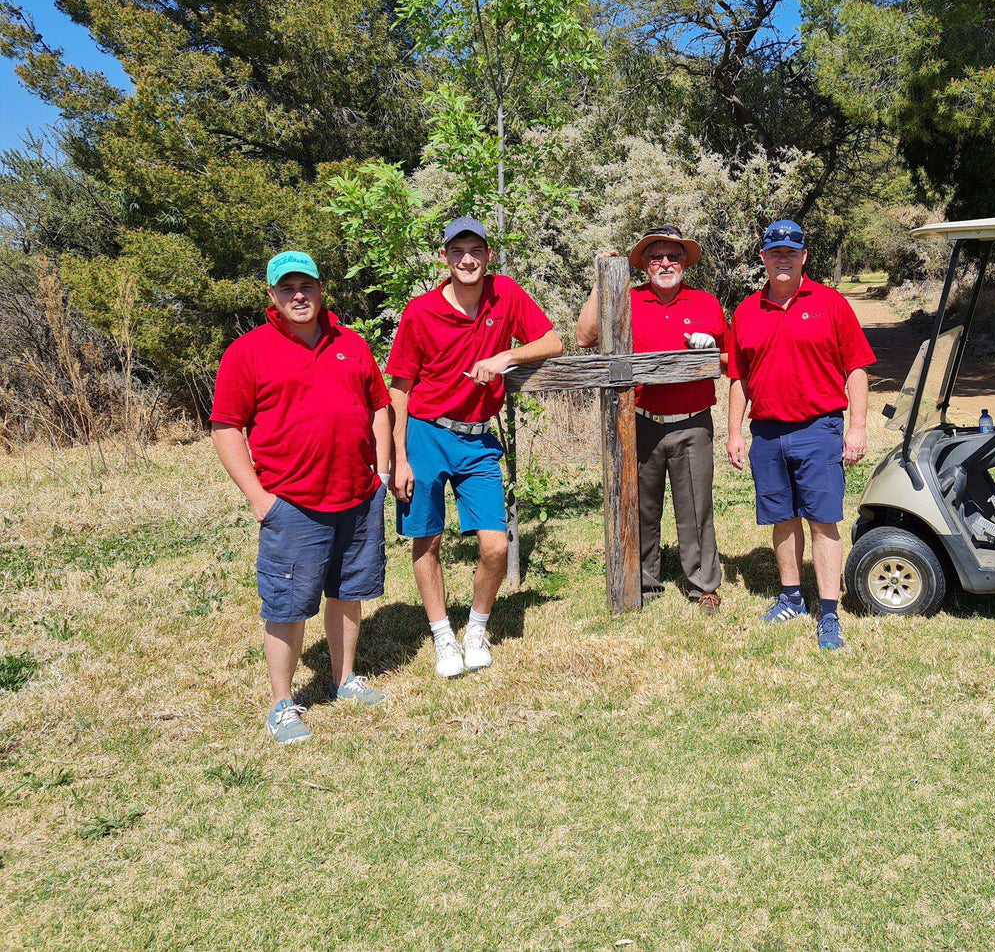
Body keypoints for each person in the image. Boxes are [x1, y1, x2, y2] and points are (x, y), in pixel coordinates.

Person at [211, 251, 394, 745]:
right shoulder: (248, 352)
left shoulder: (351, 344)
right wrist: (258, 497)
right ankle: (283, 704)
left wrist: (381, 470)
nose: (298, 295)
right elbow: (227, 427)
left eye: (307, 285)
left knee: (348, 591)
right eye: (287, 287)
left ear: (320, 289)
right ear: (271, 295)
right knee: (288, 605)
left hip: (357, 496)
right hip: (291, 502)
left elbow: (380, 406)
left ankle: (344, 680)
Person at [387, 216, 563, 678]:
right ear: (445, 258)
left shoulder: (505, 294)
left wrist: (506, 356)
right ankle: (442, 634)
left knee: (496, 546)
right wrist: (398, 457)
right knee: (427, 539)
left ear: (488, 256)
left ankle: (476, 628)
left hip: (478, 438)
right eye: (458, 251)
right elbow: (400, 389)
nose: (468, 260)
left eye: (476, 251)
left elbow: (554, 341)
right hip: (426, 432)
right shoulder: (420, 311)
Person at [726, 220, 875, 650]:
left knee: (823, 521)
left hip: (819, 429)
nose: (783, 258)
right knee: (782, 518)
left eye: (791, 251)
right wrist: (734, 432)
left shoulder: (830, 303)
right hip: (767, 434)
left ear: (804, 256)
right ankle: (791, 596)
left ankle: (829, 612)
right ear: (764, 259)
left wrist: (857, 428)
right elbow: (738, 377)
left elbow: (857, 369)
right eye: (775, 252)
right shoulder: (747, 311)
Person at [575, 227, 728, 613]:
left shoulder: (706, 303)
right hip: (639, 421)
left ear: (684, 263)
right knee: (641, 506)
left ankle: (703, 584)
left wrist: (711, 351)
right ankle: (643, 582)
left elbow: (729, 359)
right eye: (656, 257)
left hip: (693, 423)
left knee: (696, 509)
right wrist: (602, 279)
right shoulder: (625, 299)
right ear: (643, 265)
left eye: (673, 256)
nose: (665, 264)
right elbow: (584, 337)